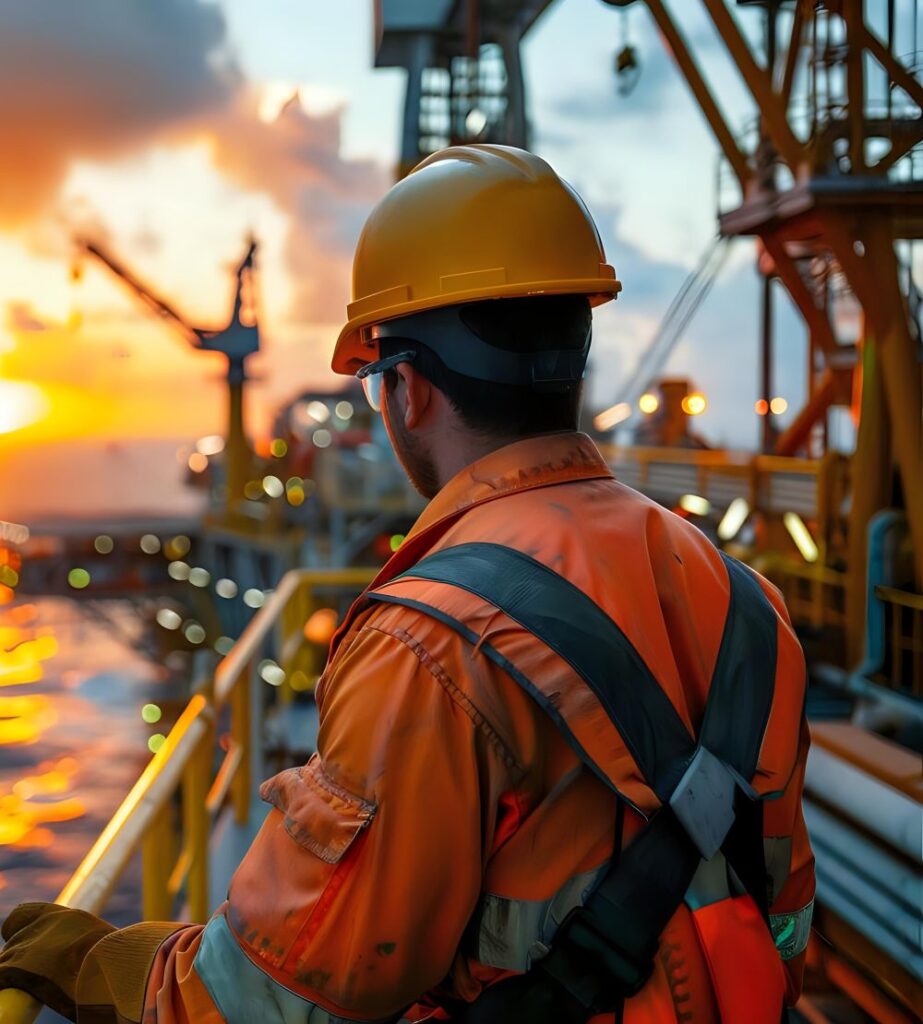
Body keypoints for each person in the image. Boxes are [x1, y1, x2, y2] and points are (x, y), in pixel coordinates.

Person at [0, 145, 814, 1023]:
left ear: (409, 390)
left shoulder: (428, 641)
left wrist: (101, 965)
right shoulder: (742, 598)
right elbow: (784, 917)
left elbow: (285, 995)